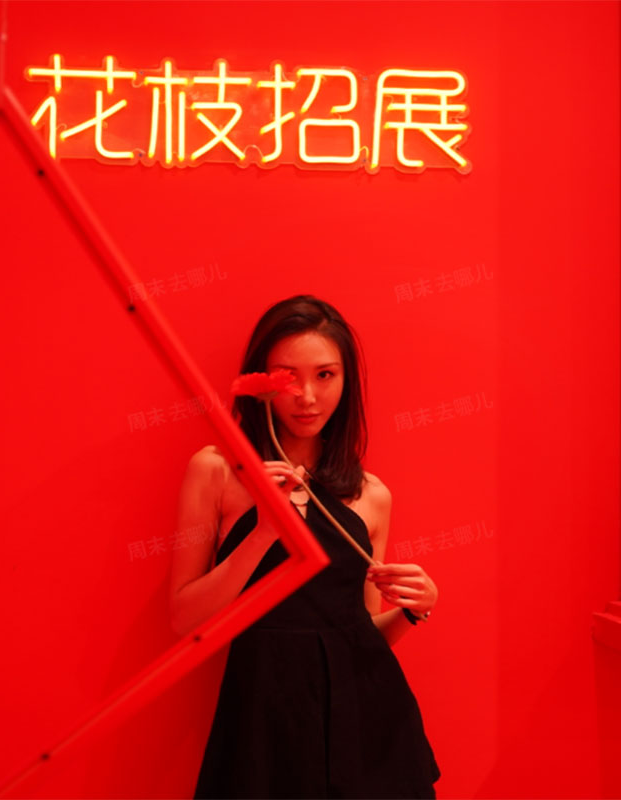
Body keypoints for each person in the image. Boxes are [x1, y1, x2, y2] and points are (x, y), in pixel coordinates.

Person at [170, 294, 442, 799]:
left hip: (370, 725)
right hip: (264, 722)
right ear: (261, 379)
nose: (308, 397)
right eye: (287, 377)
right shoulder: (217, 470)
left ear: (346, 380)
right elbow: (185, 620)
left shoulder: (370, 494)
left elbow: (361, 634)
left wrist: (413, 610)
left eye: (325, 375)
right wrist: (264, 533)